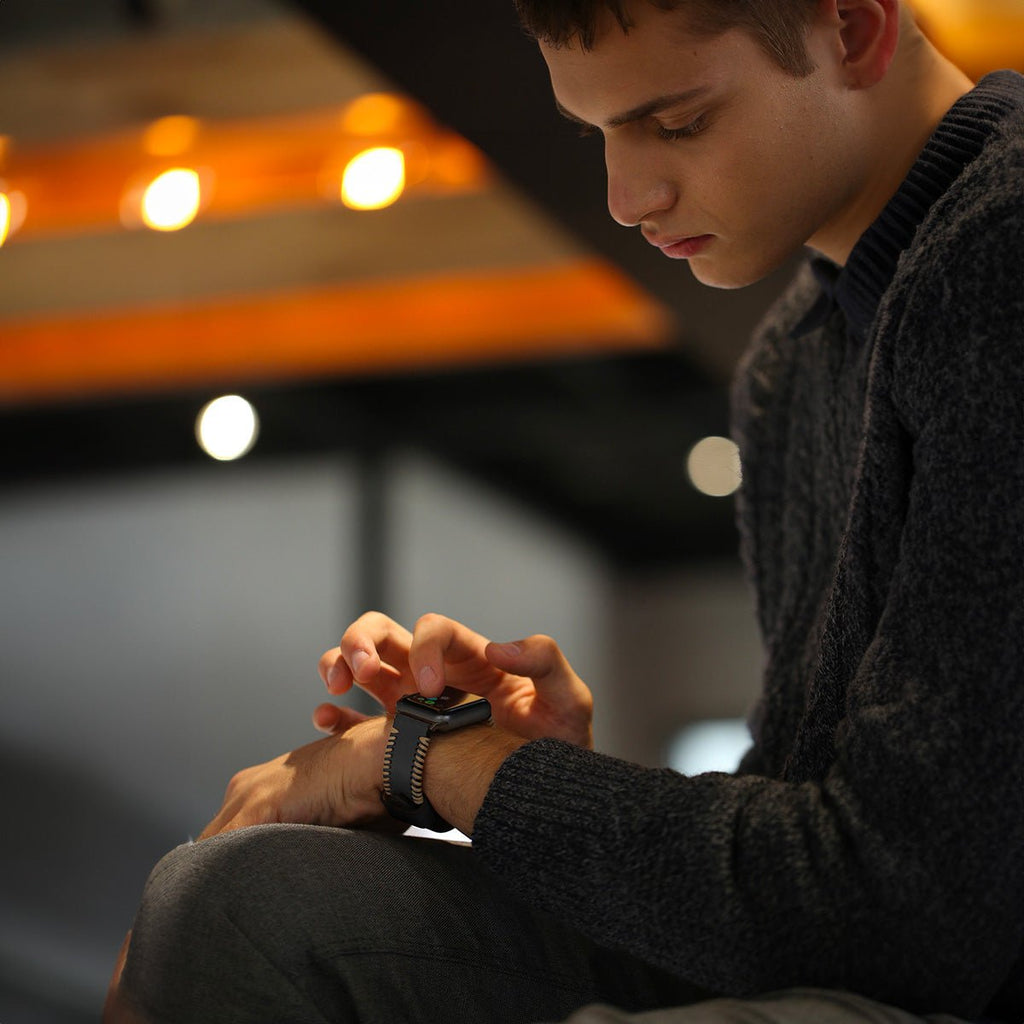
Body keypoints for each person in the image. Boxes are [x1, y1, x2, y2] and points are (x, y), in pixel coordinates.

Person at [104, 0, 1024, 1020]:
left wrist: (438, 761)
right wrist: (540, 784)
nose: (626, 195)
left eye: (675, 123)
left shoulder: (1002, 250)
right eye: (596, 134)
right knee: (233, 903)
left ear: (851, 30)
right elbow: (809, 849)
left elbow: (907, 911)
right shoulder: (793, 361)